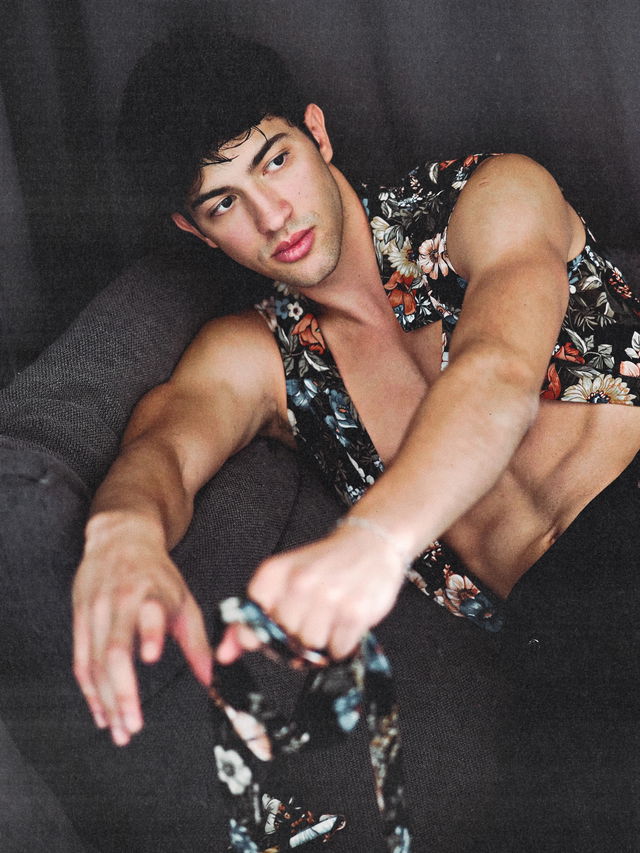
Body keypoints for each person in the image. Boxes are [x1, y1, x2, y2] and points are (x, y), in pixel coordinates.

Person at [72, 27, 640, 851]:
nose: (273, 216)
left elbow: (497, 376)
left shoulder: (490, 196)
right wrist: (122, 531)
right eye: (224, 203)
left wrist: (374, 538)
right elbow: (162, 446)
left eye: (274, 160)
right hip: (557, 637)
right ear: (197, 233)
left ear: (318, 132)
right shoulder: (260, 355)